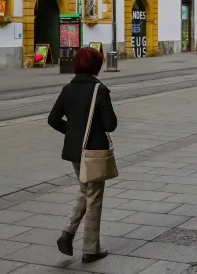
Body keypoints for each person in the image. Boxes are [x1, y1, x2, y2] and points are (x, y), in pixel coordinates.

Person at [48, 47, 117, 264]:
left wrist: (72, 131)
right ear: (96, 66)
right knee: (94, 196)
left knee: (84, 188)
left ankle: (67, 234)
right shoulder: (100, 89)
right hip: (94, 151)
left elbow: (53, 119)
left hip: (74, 150)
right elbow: (110, 125)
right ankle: (90, 249)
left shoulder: (68, 88)